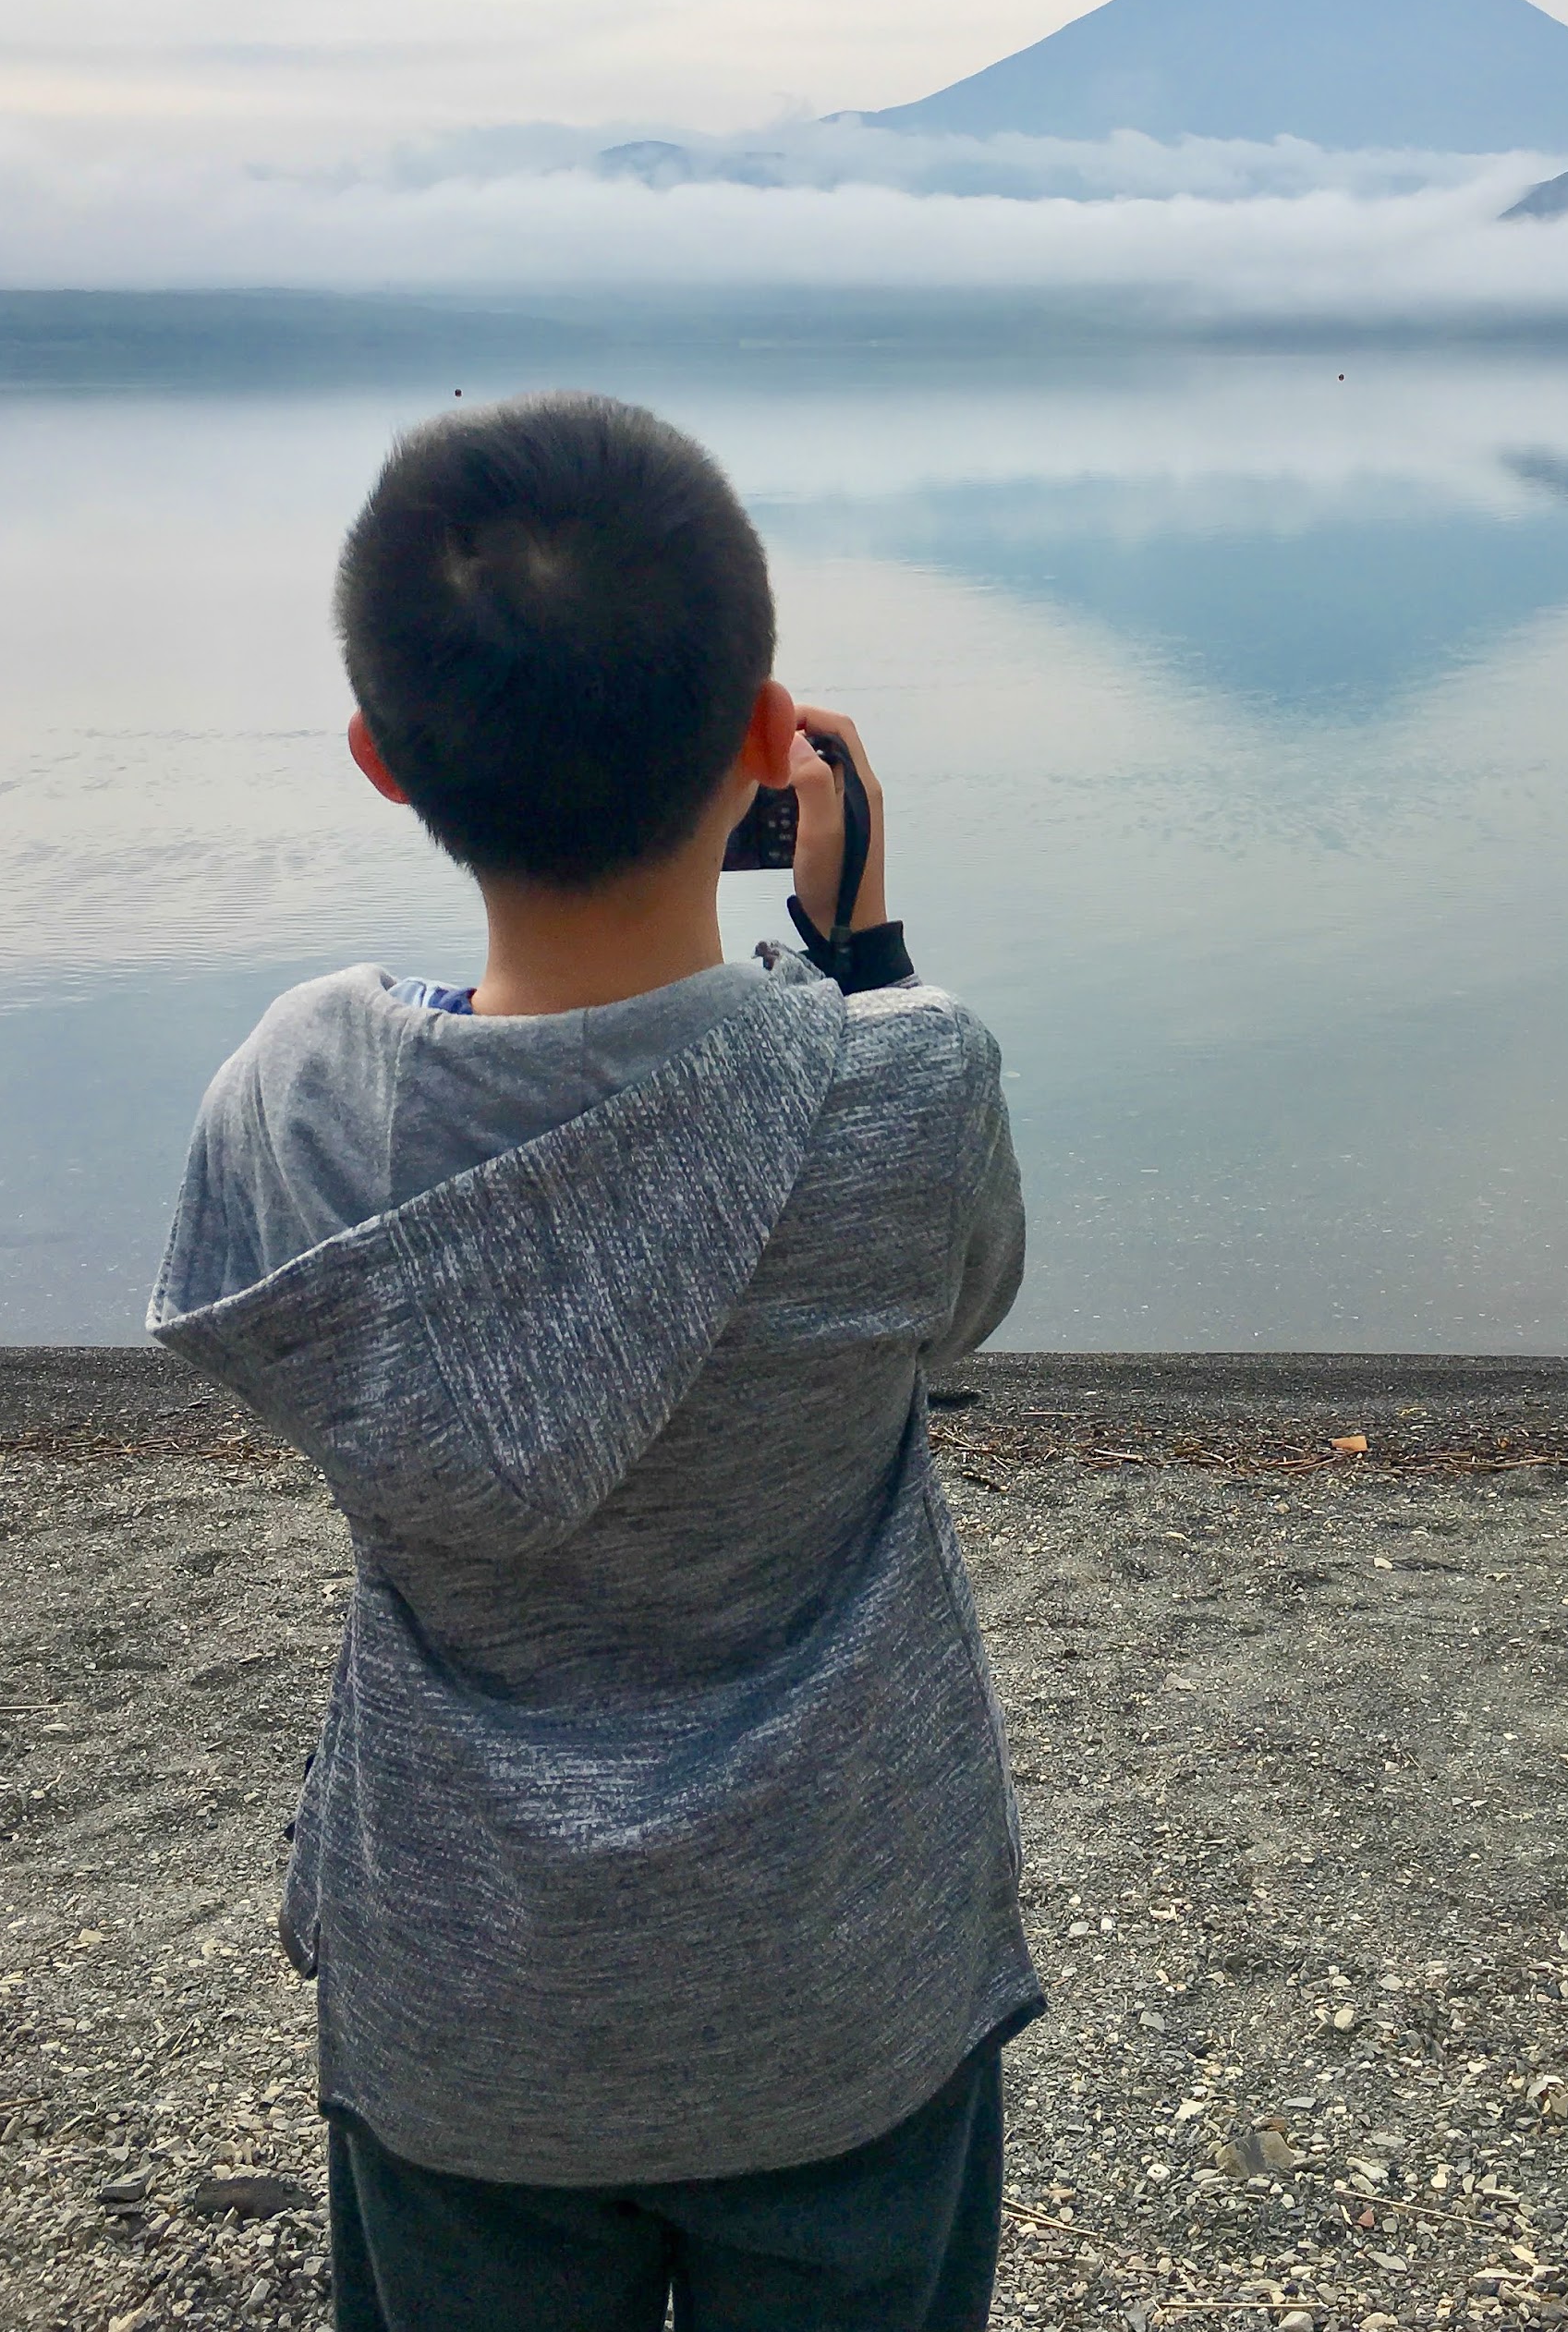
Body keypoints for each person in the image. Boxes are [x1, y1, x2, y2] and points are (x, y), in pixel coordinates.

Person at [149, 392, 1037, 2332]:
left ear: (384, 763)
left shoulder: (303, 1106)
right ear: (760, 743)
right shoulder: (902, 1084)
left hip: (466, 2010)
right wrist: (858, 949)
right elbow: (961, 1297)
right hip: (839, 1986)